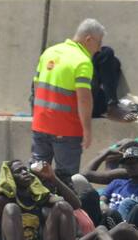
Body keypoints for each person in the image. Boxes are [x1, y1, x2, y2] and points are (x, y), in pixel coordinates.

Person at [32, 19, 103, 183]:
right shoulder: (82, 62)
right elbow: (84, 99)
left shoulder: (49, 52)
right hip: (66, 130)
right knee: (66, 180)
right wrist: (87, 130)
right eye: (99, 43)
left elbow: (36, 85)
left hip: (40, 125)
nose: (99, 49)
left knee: (36, 176)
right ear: (88, 40)